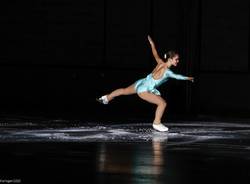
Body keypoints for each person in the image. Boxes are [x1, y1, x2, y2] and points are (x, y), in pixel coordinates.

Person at [97, 35, 194, 132]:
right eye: (176, 59)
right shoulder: (167, 71)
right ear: (170, 59)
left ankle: (106, 98)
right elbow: (177, 77)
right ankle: (156, 123)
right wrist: (188, 78)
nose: (178, 61)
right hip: (144, 89)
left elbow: (155, 53)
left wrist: (152, 44)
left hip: (141, 82)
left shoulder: (160, 62)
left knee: (123, 90)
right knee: (162, 103)